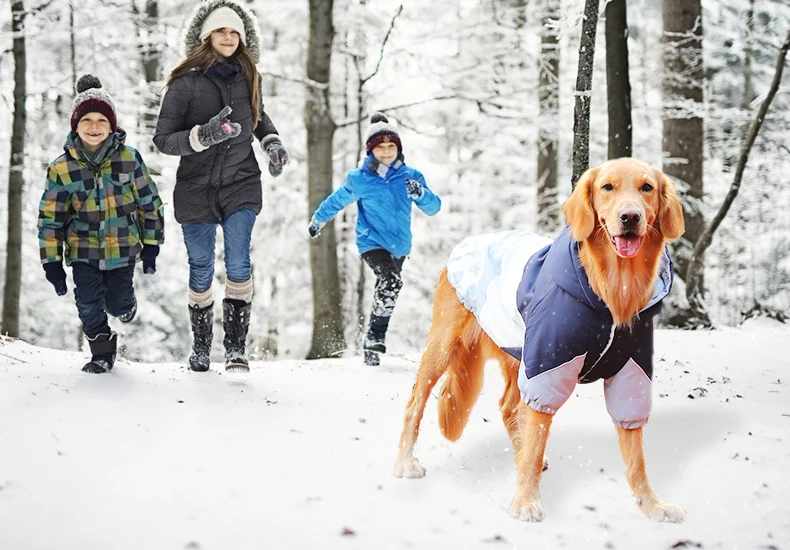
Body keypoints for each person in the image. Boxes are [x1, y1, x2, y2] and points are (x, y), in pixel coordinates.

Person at [154, 0, 289, 373]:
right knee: (200, 266)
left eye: (234, 32)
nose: (228, 37)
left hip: (240, 182)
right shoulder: (184, 83)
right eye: (221, 31)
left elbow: (258, 116)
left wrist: (271, 142)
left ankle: (235, 349)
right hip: (195, 187)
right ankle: (200, 347)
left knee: (238, 260)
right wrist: (202, 135)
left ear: (242, 38)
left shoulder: (249, 75)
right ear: (207, 36)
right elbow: (163, 139)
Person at [38, 74, 165, 374]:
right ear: (75, 125)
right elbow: (50, 218)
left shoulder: (129, 159)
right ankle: (102, 353)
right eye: (87, 120)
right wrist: (52, 263)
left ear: (111, 126)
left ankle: (126, 306)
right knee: (88, 304)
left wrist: (151, 246)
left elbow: (150, 202)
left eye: (101, 121)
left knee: (118, 305)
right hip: (83, 250)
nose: (94, 127)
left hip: (122, 249)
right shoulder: (61, 168)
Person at [308, 113, 441, 366]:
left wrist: (421, 193)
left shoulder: (410, 176)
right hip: (371, 242)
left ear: (398, 149)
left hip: (400, 246)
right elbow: (337, 200)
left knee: (388, 286)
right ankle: (376, 337)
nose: (387, 152)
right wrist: (318, 220)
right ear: (371, 150)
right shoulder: (360, 178)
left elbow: (434, 207)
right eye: (380, 147)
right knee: (390, 281)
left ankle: (371, 340)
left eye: (392, 147)